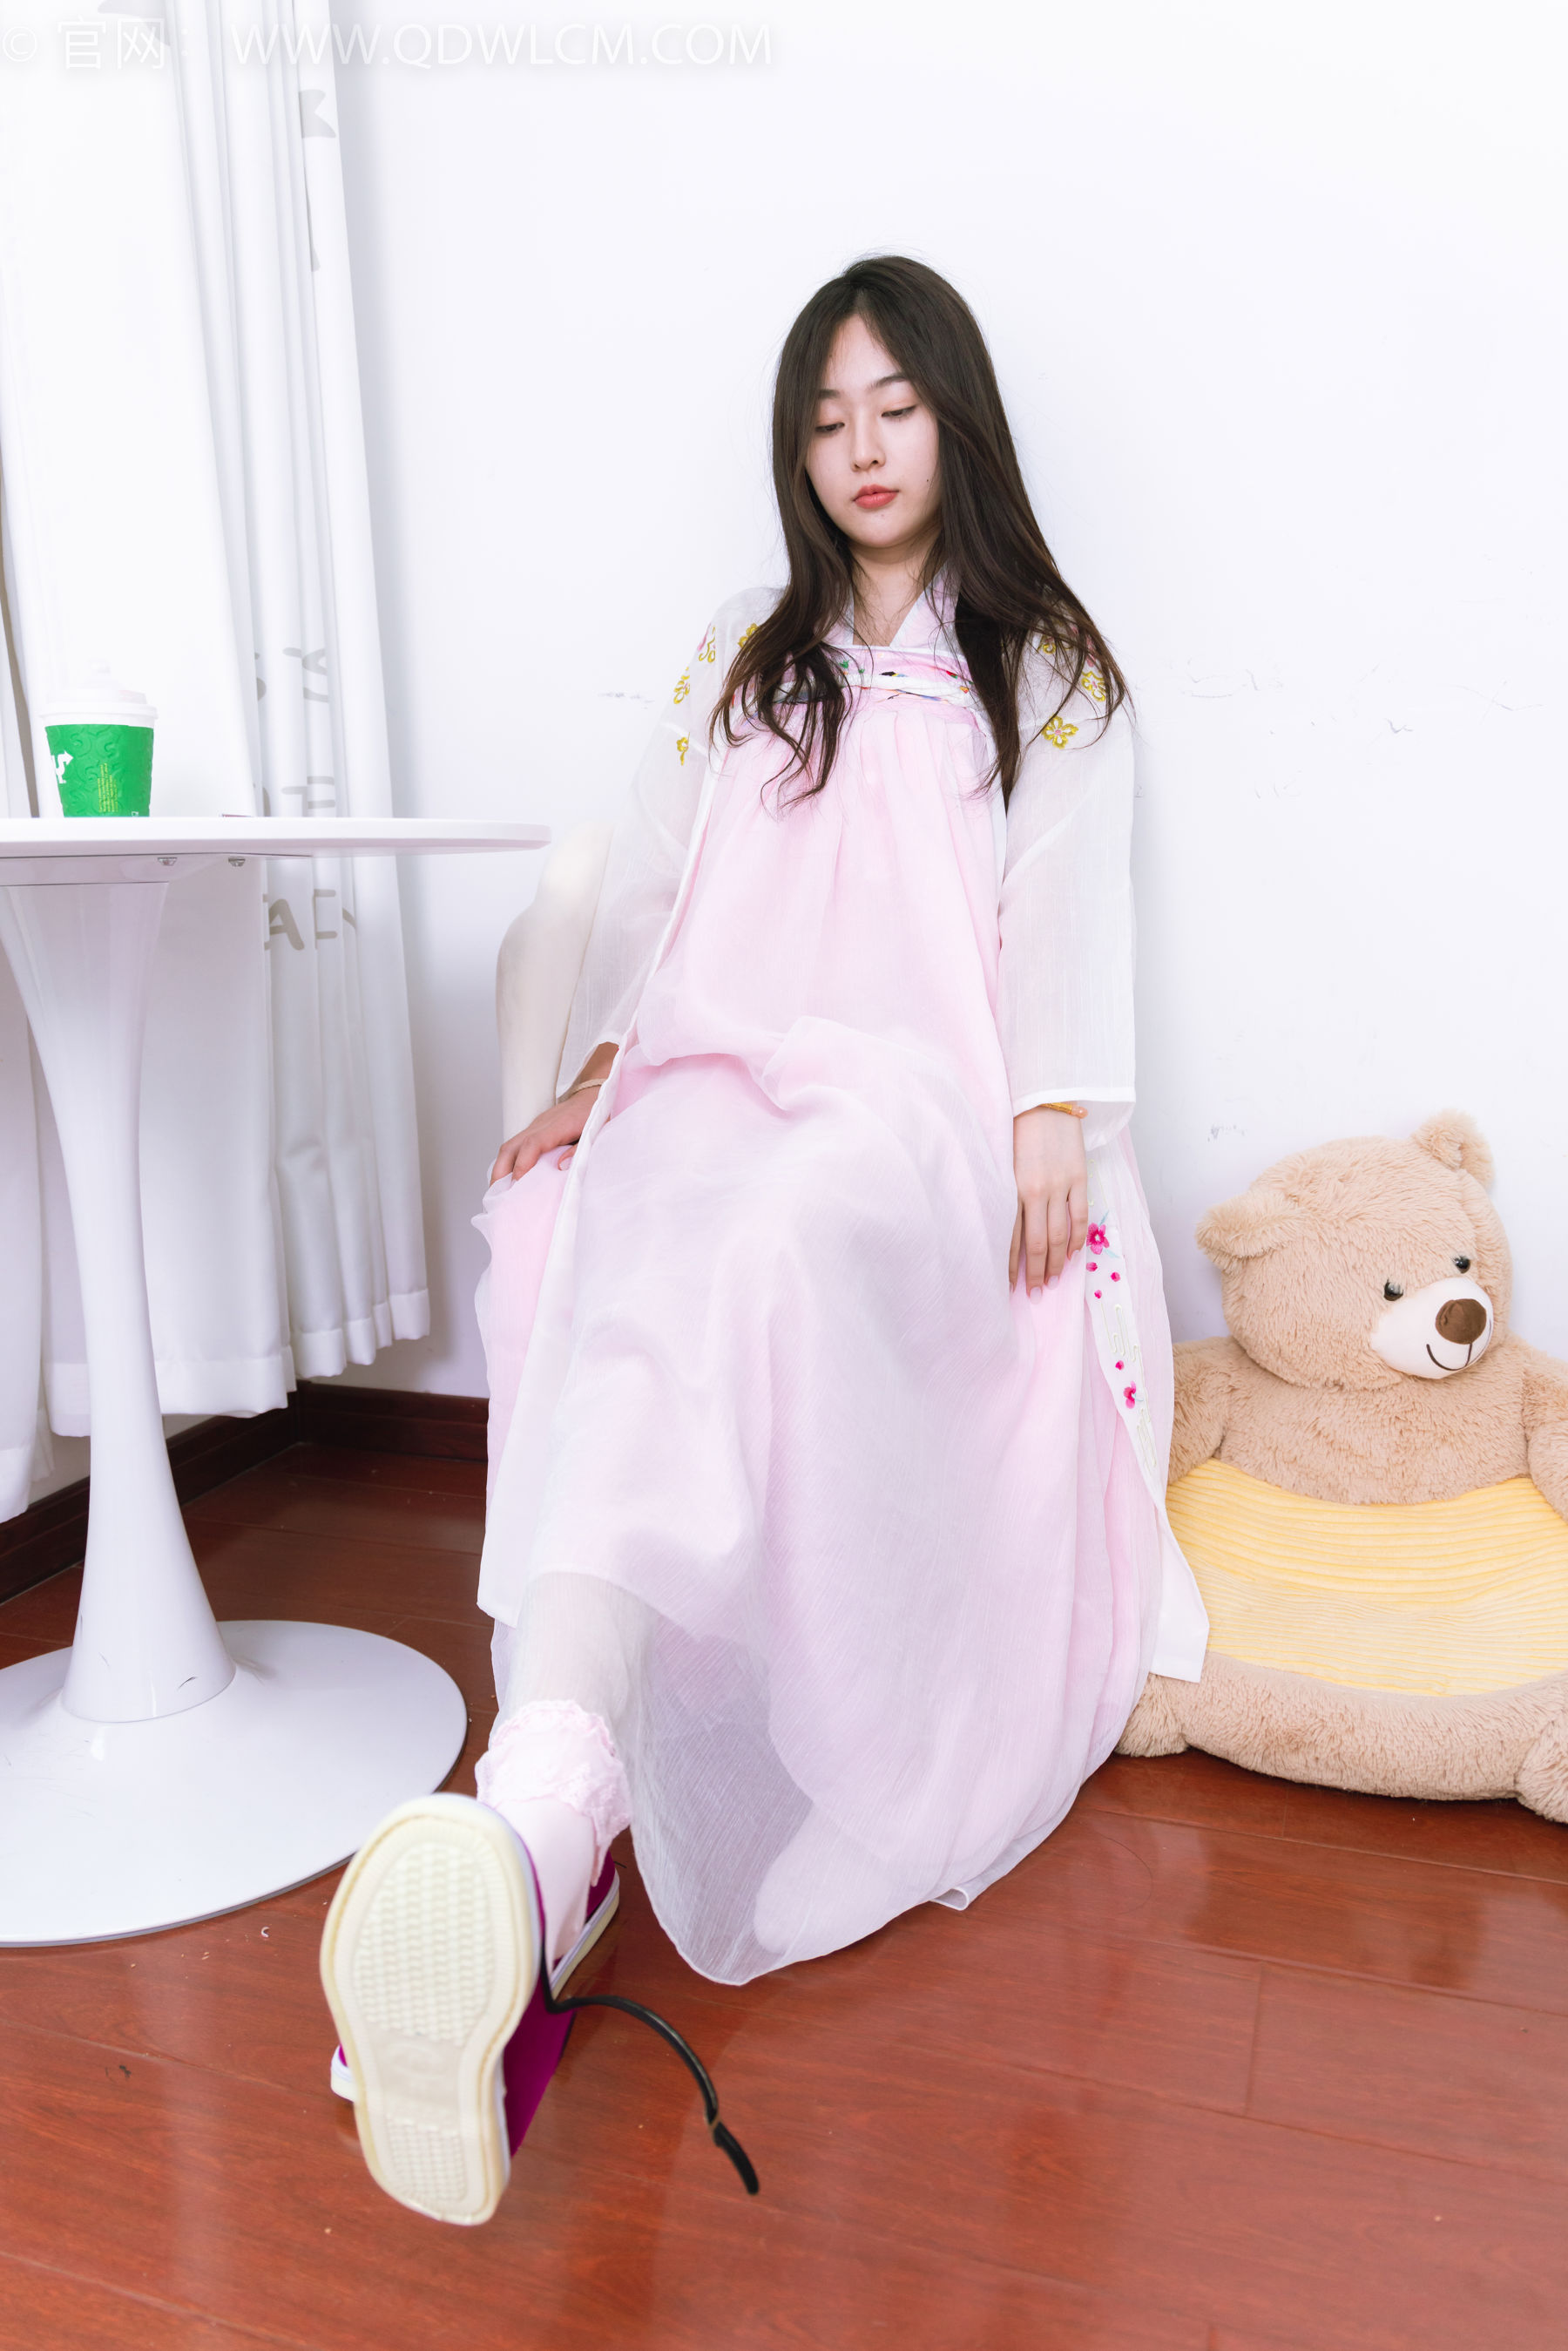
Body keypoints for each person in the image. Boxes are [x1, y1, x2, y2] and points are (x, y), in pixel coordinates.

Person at [319, 254, 1207, 2227]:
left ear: (955, 418)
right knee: (604, 1220)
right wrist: (602, 1067)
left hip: (924, 1116)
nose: (860, 449)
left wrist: (1050, 1106)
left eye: (893, 407)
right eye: (824, 419)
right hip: (730, 1078)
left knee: (771, 1228)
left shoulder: (1048, 660)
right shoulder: (751, 650)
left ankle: (540, 1824)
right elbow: (656, 878)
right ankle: (540, 1820)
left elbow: (1068, 900)